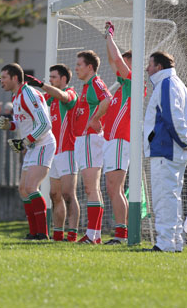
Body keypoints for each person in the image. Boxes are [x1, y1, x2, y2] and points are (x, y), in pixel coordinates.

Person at [143, 51, 187, 252]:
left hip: (166, 150)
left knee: (164, 197)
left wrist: (185, 141)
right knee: (172, 196)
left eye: (150, 65)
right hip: (175, 151)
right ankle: (175, 242)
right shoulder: (181, 85)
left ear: (159, 67)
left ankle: (165, 243)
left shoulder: (166, 84)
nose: (147, 69)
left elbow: (172, 117)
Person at [0, 63, 56, 240]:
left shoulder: (29, 93)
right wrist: (10, 125)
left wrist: (26, 141)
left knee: (31, 187)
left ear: (15, 78)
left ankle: (42, 234)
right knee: (23, 189)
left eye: (4, 78)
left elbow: (45, 124)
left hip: (43, 143)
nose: (1, 81)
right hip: (32, 145)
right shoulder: (17, 96)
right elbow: (23, 122)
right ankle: (33, 233)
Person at [24, 64, 80, 242]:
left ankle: (72, 234)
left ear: (64, 79)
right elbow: (35, 104)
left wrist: (40, 84)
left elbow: (63, 96)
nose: (51, 80)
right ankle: (57, 234)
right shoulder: (48, 97)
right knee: (54, 194)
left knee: (68, 194)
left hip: (68, 150)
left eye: (54, 77)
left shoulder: (70, 93)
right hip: (52, 151)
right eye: (50, 77)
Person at [73, 50, 112, 244]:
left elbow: (107, 99)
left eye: (79, 64)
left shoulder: (95, 82)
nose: (76, 68)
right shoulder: (87, 85)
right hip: (84, 139)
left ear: (90, 67)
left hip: (91, 138)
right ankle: (94, 235)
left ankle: (92, 235)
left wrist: (94, 119)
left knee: (91, 187)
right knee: (91, 188)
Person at [102, 22, 133, 244]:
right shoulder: (124, 85)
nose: (121, 64)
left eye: (126, 61)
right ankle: (121, 232)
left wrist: (110, 35)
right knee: (112, 187)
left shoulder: (132, 81)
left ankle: (122, 234)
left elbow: (116, 59)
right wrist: (107, 39)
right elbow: (113, 60)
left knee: (115, 187)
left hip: (121, 139)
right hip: (112, 140)